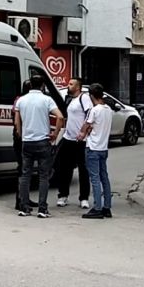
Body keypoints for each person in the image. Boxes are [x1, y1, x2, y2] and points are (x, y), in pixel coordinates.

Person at [14, 75, 64, 218]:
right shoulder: (47, 100)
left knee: (25, 175)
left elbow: (17, 123)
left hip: (27, 142)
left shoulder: (21, 100)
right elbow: (60, 117)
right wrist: (55, 133)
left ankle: (24, 207)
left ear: (30, 85)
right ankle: (42, 209)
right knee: (43, 176)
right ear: (43, 86)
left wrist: (21, 135)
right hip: (42, 141)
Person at [56, 78, 92, 209]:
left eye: (71, 84)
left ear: (78, 87)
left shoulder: (84, 98)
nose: (68, 86)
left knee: (83, 169)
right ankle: (63, 195)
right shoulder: (70, 100)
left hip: (81, 140)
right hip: (68, 138)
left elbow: (90, 114)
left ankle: (84, 198)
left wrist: (83, 131)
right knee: (64, 168)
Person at [80, 83, 114, 219]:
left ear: (91, 96)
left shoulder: (94, 110)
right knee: (104, 177)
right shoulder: (108, 110)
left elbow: (86, 125)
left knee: (94, 178)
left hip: (93, 147)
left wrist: (82, 133)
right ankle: (107, 207)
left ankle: (97, 208)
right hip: (103, 147)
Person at [12, 79, 38, 212]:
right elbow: (17, 121)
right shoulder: (21, 100)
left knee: (26, 169)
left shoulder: (21, 100)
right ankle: (21, 200)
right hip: (22, 138)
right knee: (23, 169)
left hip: (22, 137)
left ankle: (25, 198)